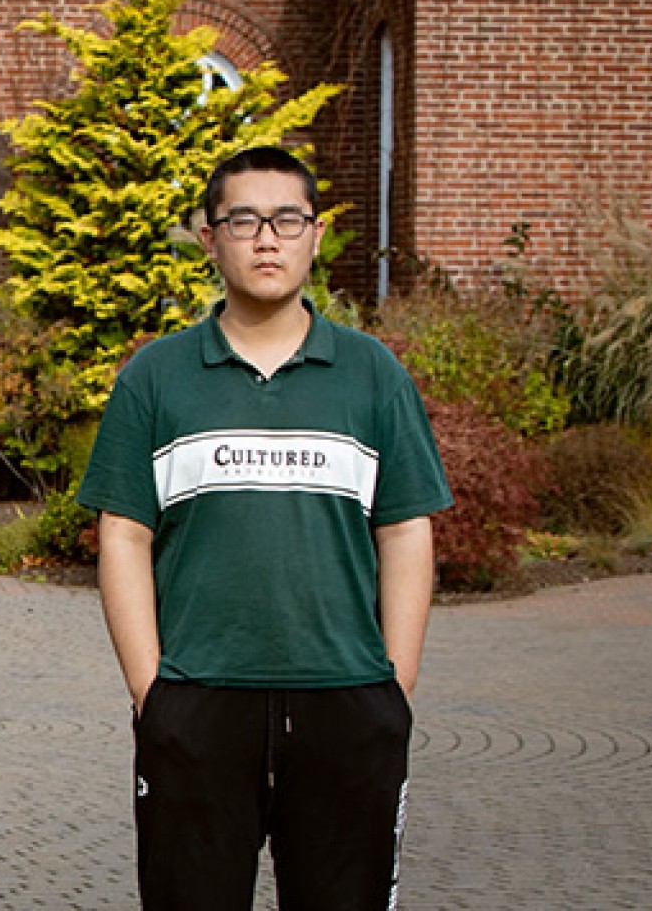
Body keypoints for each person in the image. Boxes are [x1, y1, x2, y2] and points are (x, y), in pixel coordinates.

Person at [78, 145, 453, 910]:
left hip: (347, 701)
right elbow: (123, 535)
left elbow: (406, 531)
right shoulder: (155, 378)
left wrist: (393, 686)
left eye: (287, 220)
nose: (266, 239)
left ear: (316, 235)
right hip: (197, 702)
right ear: (210, 238)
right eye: (243, 221)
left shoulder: (373, 376)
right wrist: (153, 693)